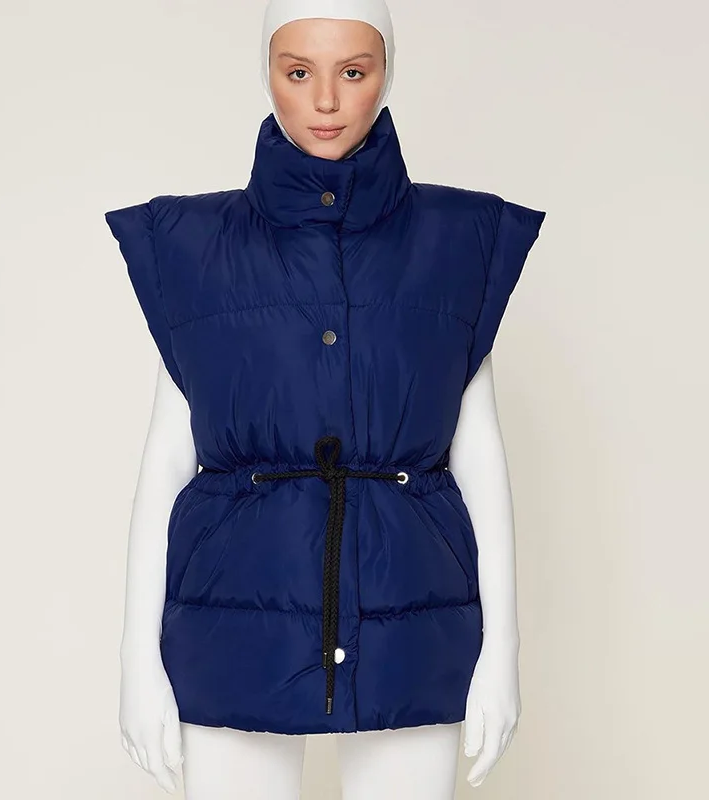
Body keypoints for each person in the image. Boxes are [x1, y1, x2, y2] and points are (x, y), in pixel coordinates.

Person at [104, 1, 546, 797]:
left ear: (387, 75)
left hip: (414, 617)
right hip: (230, 619)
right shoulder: (192, 246)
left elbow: (478, 455)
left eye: (354, 71)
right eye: (299, 71)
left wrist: (501, 652)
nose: (327, 100)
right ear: (266, 73)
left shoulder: (457, 239)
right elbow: (167, 461)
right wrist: (138, 660)